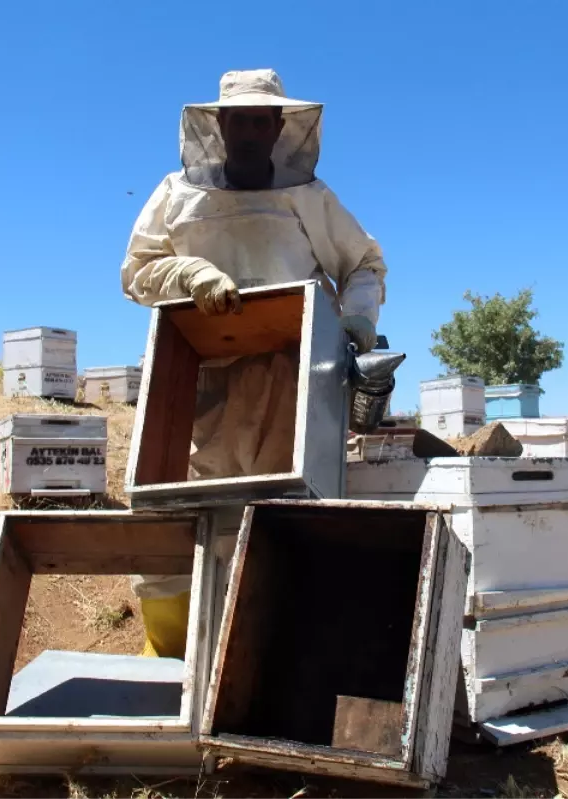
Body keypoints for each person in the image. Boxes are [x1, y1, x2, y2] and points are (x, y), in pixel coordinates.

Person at [120, 69, 387, 658]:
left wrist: (357, 322)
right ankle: (175, 661)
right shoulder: (177, 193)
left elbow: (364, 263)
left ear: (278, 128)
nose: (249, 129)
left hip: (291, 380)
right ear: (218, 124)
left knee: (280, 516)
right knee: (180, 515)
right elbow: (136, 273)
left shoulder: (309, 198)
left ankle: (270, 661)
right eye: (238, 118)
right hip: (195, 381)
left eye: (261, 119)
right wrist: (186, 272)